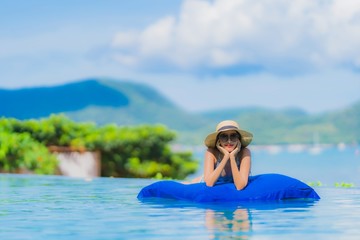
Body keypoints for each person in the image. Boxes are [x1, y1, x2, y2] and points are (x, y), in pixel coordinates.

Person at [200, 120, 253, 190]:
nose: (229, 141)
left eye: (233, 136)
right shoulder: (211, 152)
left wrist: (232, 157)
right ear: (218, 140)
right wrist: (226, 157)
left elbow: (240, 186)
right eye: (224, 136)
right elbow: (209, 183)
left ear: (238, 139)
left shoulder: (244, 152)